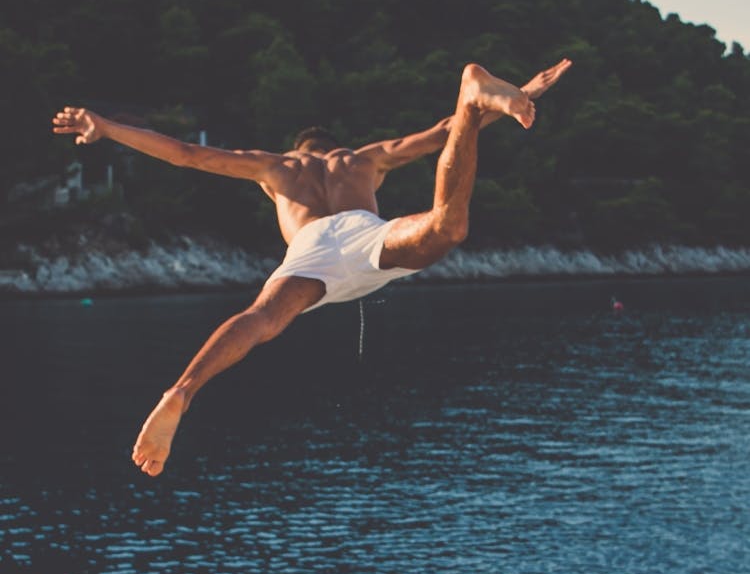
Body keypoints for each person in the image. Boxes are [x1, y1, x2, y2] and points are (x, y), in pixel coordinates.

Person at [53, 58, 571, 477]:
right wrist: (519, 94)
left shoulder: (275, 166)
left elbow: (185, 153)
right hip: (366, 232)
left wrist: (106, 128)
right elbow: (445, 131)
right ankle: (470, 87)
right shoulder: (365, 159)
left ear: (300, 149)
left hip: (309, 251)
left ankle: (182, 391)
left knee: (262, 320)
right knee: (444, 227)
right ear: (332, 147)